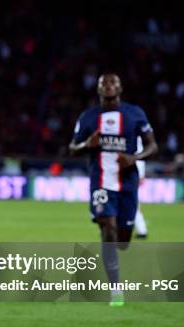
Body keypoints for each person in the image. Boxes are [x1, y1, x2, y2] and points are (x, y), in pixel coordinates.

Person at [69, 73, 157, 306]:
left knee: (122, 241)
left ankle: (122, 239)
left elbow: (153, 145)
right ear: (98, 89)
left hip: (127, 183)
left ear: (120, 88)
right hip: (101, 182)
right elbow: (72, 149)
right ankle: (115, 290)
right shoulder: (88, 117)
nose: (108, 86)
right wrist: (87, 145)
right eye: (103, 83)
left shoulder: (134, 114)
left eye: (112, 83)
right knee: (107, 229)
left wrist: (134, 158)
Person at [134, 136, 149, 238]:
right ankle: (141, 229)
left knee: (132, 204)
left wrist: (141, 175)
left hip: (133, 173)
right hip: (134, 172)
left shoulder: (133, 138)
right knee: (133, 204)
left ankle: (142, 230)